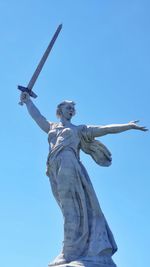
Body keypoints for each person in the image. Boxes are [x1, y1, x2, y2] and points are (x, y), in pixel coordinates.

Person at [20, 92, 148, 266]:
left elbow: (105, 129)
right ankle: (73, 249)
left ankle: (69, 250)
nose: (72, 110)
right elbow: (37, 116)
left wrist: (128, 126)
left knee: (70, 208)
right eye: (68, 107)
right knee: (66, 208)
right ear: (60, 110)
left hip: (69, 164)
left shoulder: (78, 130)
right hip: (53, 169)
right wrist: (28, 102)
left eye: (73, 108)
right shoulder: (51, 127)